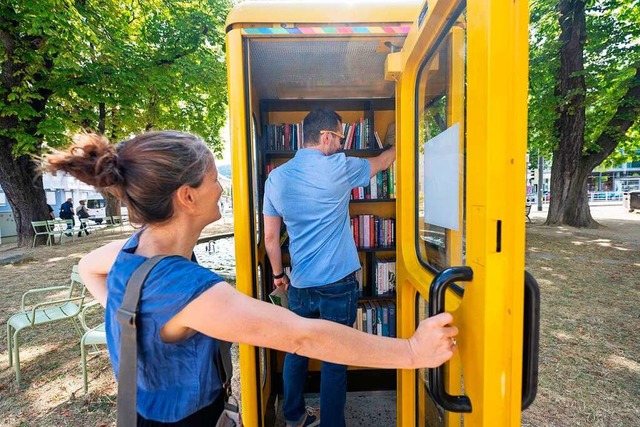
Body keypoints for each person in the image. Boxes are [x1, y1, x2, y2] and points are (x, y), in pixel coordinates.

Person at [43, 131, 457, 426]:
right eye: (212, 178)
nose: (222, 187)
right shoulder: (186, 290)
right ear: (187, 197)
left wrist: (133, 319)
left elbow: (87, 267)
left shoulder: (134, 250)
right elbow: (303, 336)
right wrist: (412, 352)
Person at [262, 109, 397, 427]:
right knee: (335, 359)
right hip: (339, 283)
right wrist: (395, 144)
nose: (341, 145)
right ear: (325, 137)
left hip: (301, 284)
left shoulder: (276, 178)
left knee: (296, 349)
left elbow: (270, 239)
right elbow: (384, 162)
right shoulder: (340, 167)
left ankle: (294, 417)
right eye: (339, 137)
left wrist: (280, 277)